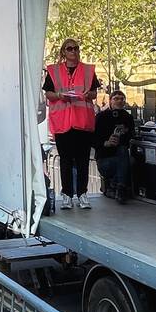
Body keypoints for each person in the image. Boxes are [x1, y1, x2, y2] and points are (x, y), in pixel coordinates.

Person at [43, 39, 101, 209]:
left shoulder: (88, 70)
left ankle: (82, 194)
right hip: (63, 124)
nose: (73, 51)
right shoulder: (53, 71)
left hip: (83, 123)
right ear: (63, 52)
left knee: (83, 160)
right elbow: (49, 94)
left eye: (76, 48)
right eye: (70, 49)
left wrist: (87, 94)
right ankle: (67, 194)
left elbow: (94, 93)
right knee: (66, 161)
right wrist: (60, 95)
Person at [94, 90, 136, 203]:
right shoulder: (100, 117)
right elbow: (92, 139)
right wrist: (105, 143)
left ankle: (117, 186)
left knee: (125, 153)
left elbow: (132, 136)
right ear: (110, 101)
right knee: (125, 160)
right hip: (104, 159)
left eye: (122, 99)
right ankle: (118, 186)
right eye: (116, 98)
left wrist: (123, 137)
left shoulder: (128, 117)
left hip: (122, 156)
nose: (119, 101)